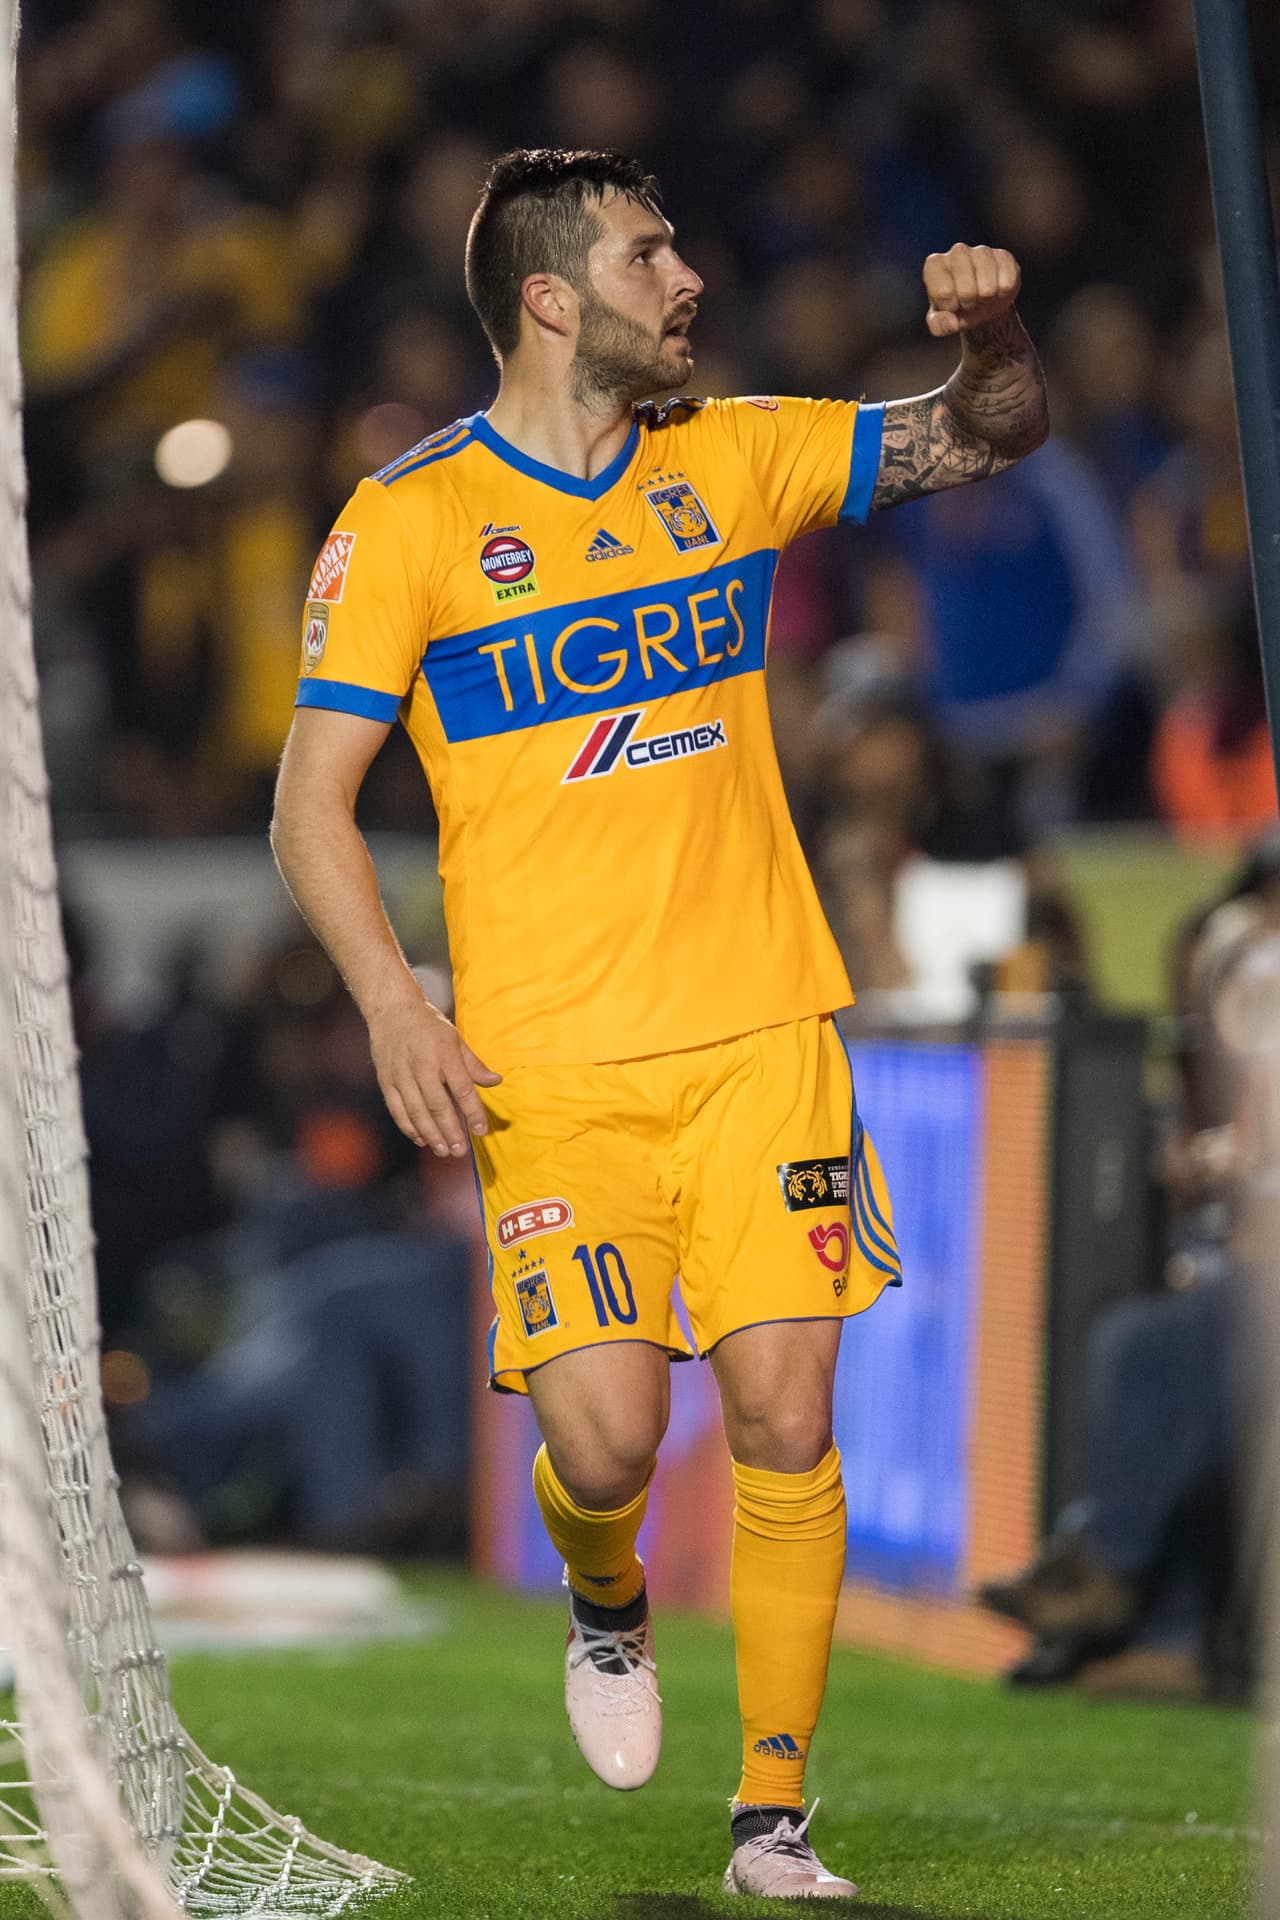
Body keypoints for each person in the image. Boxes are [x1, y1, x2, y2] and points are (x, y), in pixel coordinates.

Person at [270, 147, 1048, 1901]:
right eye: (647, 253)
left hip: (764, 1031)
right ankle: (605, 1594)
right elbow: (309, 804)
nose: (686, 277)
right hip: (549, 1067)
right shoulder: (406, 522)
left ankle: (773, 1816)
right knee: (607, 1443)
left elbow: (983, 434)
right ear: (552, 299)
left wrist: (997, 342)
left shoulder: (737, 452)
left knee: (787, 1412)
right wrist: (396, 1005)